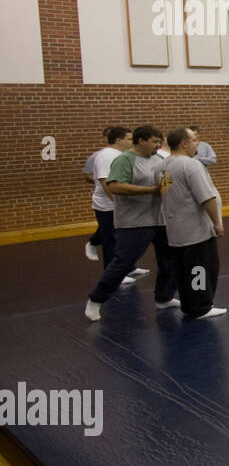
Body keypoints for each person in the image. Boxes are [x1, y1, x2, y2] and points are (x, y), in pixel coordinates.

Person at [85, 125, 178, 322]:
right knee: (123, 263)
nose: (158, 145)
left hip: (160, 219)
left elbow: (165, 182)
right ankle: (96, 299)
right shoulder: (124, 160)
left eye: (159, 142)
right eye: (154, 141)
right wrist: (149, 190)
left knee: (170, 259)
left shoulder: (159, 159)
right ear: (141, 140)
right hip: (134, 222)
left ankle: (164, 297)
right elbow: (115, 186)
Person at [160, 127, 226, 319]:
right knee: (201, 268)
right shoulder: (191, 165)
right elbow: (206, 197)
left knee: (184, 268)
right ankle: (201, 307)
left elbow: (167, 192)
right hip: (195, 228)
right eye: (194, 140)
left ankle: (190, 304)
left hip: (176, 227)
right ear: (184, 143)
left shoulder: (164, 165)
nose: (197, 143)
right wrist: (217, 222)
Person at [87, 127, 131, 271]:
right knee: (111, 240)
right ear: (118, 140)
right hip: (107, 206)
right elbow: (105, 181)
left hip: (116, 205)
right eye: (129, 139)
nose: (132, 142)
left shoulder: (120, 154)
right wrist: (117, 203)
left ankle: (128, 267)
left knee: (123, 240)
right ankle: (112, 271)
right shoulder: (107, 155)